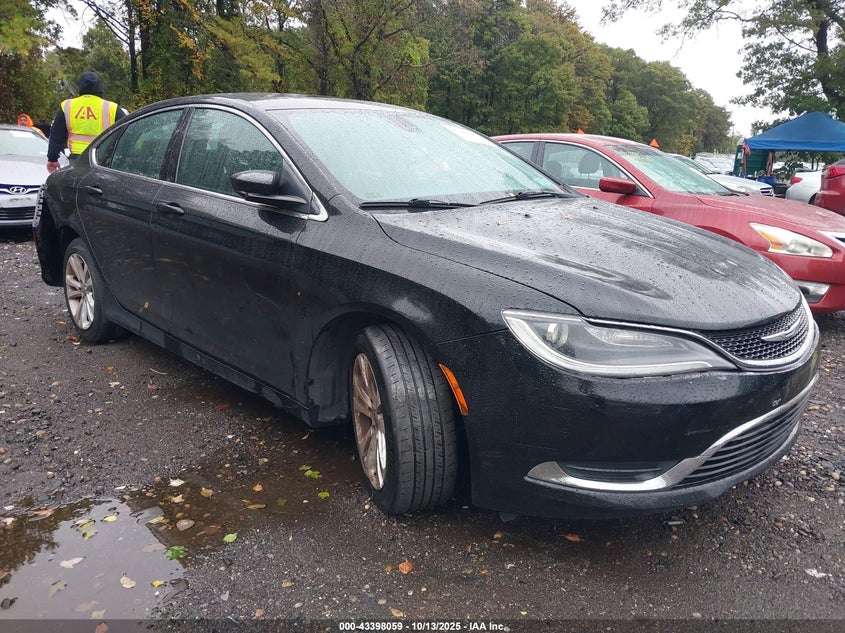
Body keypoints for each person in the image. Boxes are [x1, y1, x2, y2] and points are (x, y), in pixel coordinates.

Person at [46, 71, 128, 173]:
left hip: (77, 159)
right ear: (99, 88)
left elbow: (56, 135)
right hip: (102, 159)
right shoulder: (112, 108)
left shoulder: (67, 106)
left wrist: (52, 158)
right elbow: (128, 132)